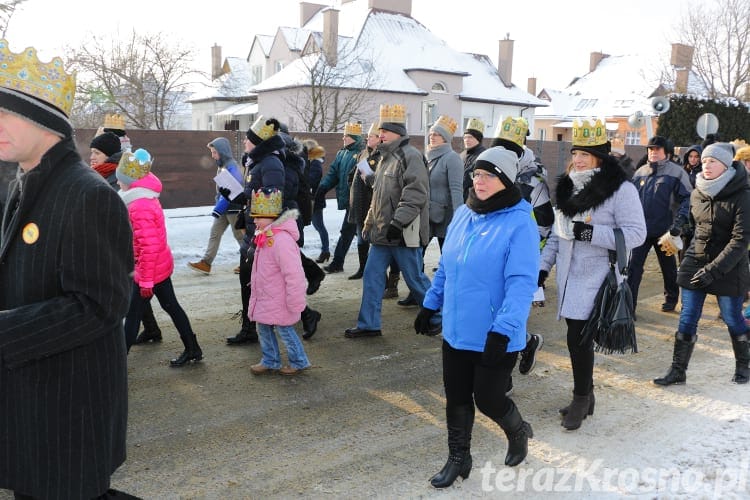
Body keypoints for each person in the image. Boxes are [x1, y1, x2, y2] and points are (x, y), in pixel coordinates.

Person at [0, 40, 135, 498]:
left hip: (67, 413)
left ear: (45, 121)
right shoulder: (21, 185)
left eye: (6, 112)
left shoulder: (87, 195)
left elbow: (100, 305)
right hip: (30, 407)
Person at [415, 146, 539, 487]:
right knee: (456, 396)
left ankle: (517, 430)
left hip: (495, 332)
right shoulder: (464, 214)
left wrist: (504, 329)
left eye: (488, 175)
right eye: (476, 174)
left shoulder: (519, 221)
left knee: (488, 399)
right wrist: (430, 303)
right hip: (456, 329)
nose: (479, 181)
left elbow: (521, 283)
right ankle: (459, 457)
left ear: (505, 180)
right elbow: (446, 267)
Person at [539, 119, 646, 431]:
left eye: (586, 153)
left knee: (579, 338)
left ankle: (581, 397)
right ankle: (587, 395)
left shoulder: (620, 190)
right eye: (576, 153)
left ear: (601, 156)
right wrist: (542, 268)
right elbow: (559, 236)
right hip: (570, 276)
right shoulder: (568, 185)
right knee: (577, 336)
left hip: (600, 275)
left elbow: (636, 233)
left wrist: (590, 234)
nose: (580, 159)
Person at [654, 143, 750, 386]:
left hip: (729, 266)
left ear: (726, 165)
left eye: (712, 162)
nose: (706, 165)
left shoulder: (743, 195)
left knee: (732, 317)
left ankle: (744, 365)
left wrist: (713, 270)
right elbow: (698, 228)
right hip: (696, 261)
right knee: (687, 317)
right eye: (704, 161)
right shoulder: (698, 192)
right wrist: (679, 231)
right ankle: (678, 371)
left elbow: (740, 241)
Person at [344, 104, 439, 338]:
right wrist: (369, 223)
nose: (380, 133)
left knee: (415, 279)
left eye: (384, 130)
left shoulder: (411, 156)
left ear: (397, 132)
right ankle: (369, 325)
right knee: (372, 276)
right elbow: (379, 193)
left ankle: (439, 318)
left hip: (402, 233)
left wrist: (398, 223)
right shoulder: (386, 156)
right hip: (382, 233)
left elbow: (416, 194)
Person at [118, 148, 204, 366]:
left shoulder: (139, 205)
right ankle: (193, 348)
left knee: (133, 314)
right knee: (171, 306)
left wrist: (145, 279)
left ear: (130, 181)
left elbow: (148, 245)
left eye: (120, 181)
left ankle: (117, 363)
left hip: (149, 270)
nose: (118, 184)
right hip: (157, 266)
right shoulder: (141, 198)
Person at [247, 188, 312, 375]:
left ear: (272, 217)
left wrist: (295, 299)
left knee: (284, 329)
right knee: (263, 327)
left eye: (259, 216)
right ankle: (270, 359)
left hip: (281, 297)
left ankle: (299, 360)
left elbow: (294, 274)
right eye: (254, 216)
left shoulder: (281, 240)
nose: (255, 220)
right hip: (266, 294)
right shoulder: (265, 235)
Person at [628, 135, 692, 314]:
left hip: (666, 231)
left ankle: (671, 298)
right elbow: (631, 200)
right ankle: (629, 306)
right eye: (650, 149)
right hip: (641, 230)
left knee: (668, 267)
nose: (653, 152)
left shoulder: (677, 172)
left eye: (657, 149)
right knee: (634, 268)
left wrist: (679, 222)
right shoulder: (640, 172)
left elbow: (687, 198)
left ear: (666, 152)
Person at [188, 137, 245, 275]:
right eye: (212, 152)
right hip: (224, 208)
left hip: (233, 207)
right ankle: (206, 263)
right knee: (215, 234)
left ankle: (251, 261)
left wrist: (218, 209)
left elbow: (233, 189)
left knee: (239, 236)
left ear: (222, 152)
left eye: (214, 152)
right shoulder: (223, 166)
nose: (213, 156)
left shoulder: (232, 166)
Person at [315, 122, 364, 274]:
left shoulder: (362, 154)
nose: (343, 138)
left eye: (347, 136)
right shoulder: (341, 153)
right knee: (352, 232)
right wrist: (322, 188)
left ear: (354, 138)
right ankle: (345, 263)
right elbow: (333, 173)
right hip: (349, 201)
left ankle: (340, 262)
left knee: (350, 232)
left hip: (358, 200)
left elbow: (367, 177)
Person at [426, 115, 463, 252]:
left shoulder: (452, 158)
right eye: (431, 134)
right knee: (417, 254)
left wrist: (458, 218)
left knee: (447, 255)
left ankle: (449, 274)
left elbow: (456, 189)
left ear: (445, 138)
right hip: (428, 214)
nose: (432, 137)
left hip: (446, 217)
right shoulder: (429, 157)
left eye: (437, 134)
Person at [303, 138, 330, 262]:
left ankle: (325, 251)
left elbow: (313, 179)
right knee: (317, 225)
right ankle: (325, 251)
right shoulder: (312, 162)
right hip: (312, 199)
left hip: (314, 200)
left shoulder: (315, 163)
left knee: (319, 225)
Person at [460, 118, 486, 201]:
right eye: (465, 137)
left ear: (478, 139)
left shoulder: (484, 156)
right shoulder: (461, 155)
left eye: (470, 137)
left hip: (474, 201)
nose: (466, 140)